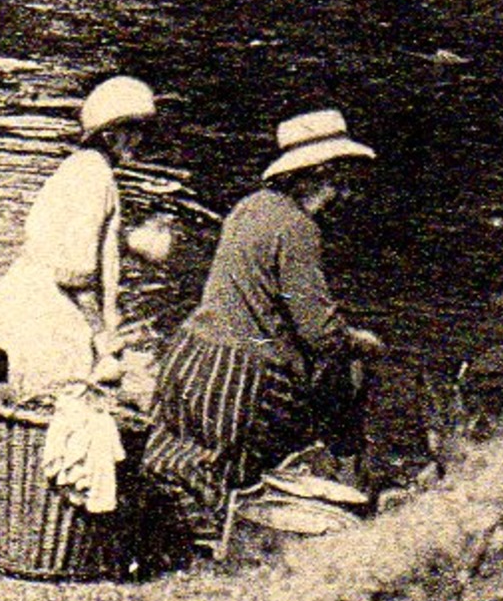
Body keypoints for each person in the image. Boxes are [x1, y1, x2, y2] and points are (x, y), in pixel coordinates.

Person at [140, 108, 387, 551]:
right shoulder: (297, 228)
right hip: (236, 379)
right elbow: (319, 331)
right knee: (346, 377)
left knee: (179, 460)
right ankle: (333, 489)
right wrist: (360, 341)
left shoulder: (248, 208)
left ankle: (183, 521)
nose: (342, 194)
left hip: (190, 358)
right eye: (338, 182)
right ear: (316, 176)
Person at [0, 76, 175, 401]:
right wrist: (103, 338)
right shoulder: (95, 178)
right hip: (48, 321)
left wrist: (129, 241)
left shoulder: (78, 168)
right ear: (110, 135)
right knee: (68, 406)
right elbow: (75, 275)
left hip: (21, 303)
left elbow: (70, 238)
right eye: (132, 131)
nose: (139, 140)